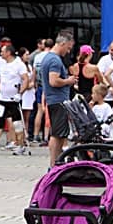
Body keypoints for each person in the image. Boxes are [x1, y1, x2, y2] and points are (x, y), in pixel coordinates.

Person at [42, 31, 77, 166]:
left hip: (54, 100)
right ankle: (54, 164)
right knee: (58, 134)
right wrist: (68, 81)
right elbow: (54, 81)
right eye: (68, 48)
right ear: (62, 43)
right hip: (58, 100)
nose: (68, 51)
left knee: (57, 133)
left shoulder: (48, 57)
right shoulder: (54, 60)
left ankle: (55, 163)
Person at [0, 44, 29, 155]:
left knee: (17, 123)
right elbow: (1, 79)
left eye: (2, 51)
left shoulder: (19, 64)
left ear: (8, 53)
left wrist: (20, 93)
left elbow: (25, 79)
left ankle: (20, 146)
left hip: (14, 100)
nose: (1, 53)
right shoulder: (1, 64)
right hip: (2, 99)